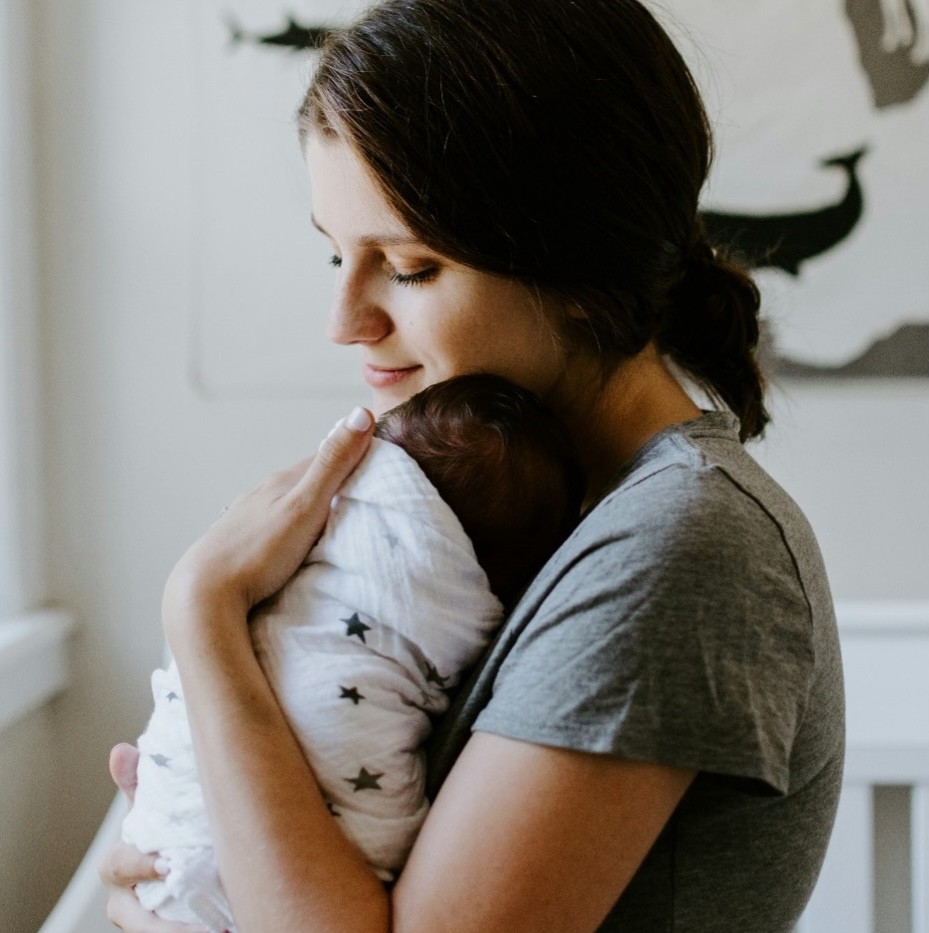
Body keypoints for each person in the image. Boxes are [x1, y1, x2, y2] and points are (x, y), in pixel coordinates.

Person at [101, 1, 845, 930]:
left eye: (409, 267)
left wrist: (201, 611)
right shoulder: (535, 526)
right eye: (335, 252)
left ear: (575, 263)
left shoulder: (680, 548)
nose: (344, 320)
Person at [121, 373, 584, 931]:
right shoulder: (477, 604)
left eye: (416, 278)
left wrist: (200, 602)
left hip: (194, 876)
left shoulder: (632, 566)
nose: (343, 325)